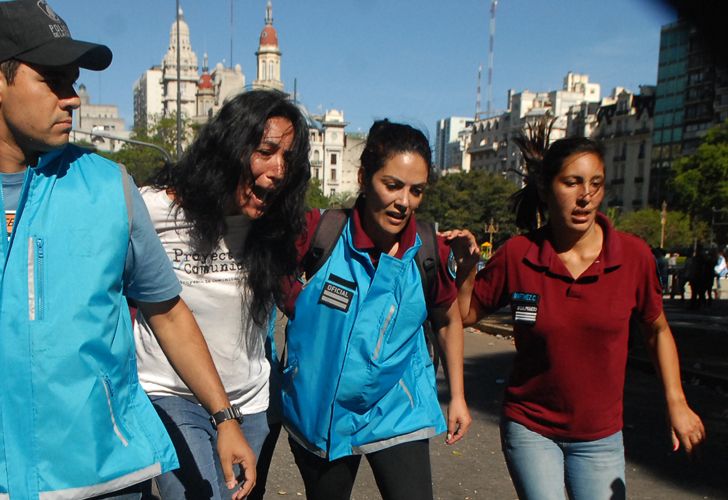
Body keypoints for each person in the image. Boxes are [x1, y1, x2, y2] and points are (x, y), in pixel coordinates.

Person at [0, 1, 254, 498]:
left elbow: (167, 310)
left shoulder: (109, 186)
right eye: (52, 79)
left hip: (107, 475)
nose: (71, 99)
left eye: (73, 81)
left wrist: (223, 417)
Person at [453, 133, 705, 500]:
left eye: (595, 184)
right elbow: (465, 315)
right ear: (545, 187)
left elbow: (657, 331)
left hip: (600, 437)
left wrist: (676, 401)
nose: (585, 195)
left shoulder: (633, 256)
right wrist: (466, 271)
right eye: (572, 182)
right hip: (531, 428)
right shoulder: (519, 254)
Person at [280, 120, 472, 500]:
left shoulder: (431, 251)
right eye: (393, 185)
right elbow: (265, 273)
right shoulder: (320, 232)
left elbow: (449, 319)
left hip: (398, 407)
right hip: (322, 410)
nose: (404, 202)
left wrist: (459, 397)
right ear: (364, 177)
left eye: (416, 191)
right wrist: (295, 303)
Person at [134, 89, 310, 499]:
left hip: (250, 404)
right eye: (266, 151)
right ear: (230, 147)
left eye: (288, 158)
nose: (279, 170)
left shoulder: (273, 225)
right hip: (170, 395)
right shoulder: (154, 209)